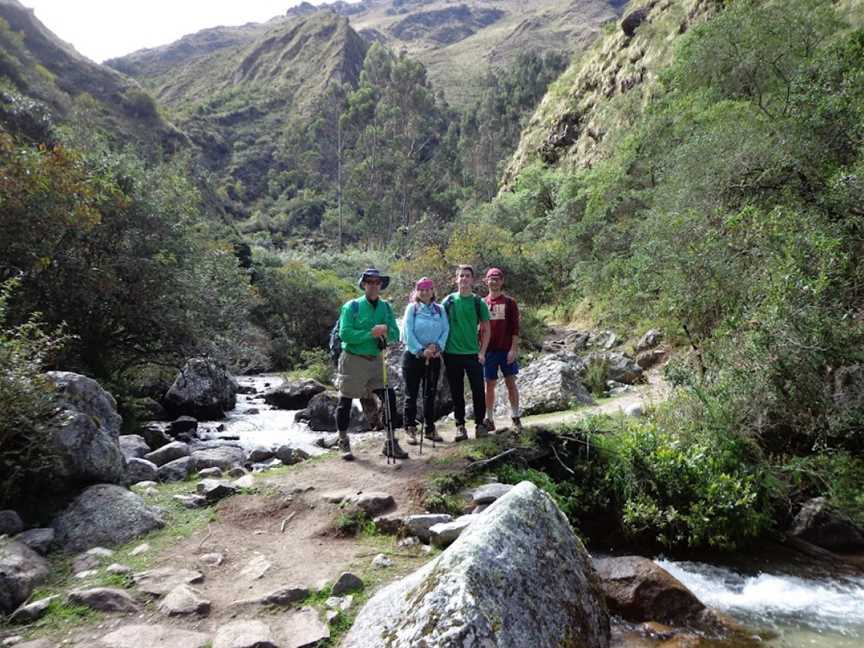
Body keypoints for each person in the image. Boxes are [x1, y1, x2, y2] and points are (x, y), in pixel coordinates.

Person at [334, 267, 406, 461]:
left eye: (377, 282)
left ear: (381, 285)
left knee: (389, 397)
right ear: (364, 284)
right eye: (370, 282)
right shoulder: (352, 307)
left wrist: (386, 331)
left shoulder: (386, 307)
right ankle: (342, 440)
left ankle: (390, 442)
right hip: (353, 360)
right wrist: (370, 334)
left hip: (377, 361)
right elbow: (345, 334)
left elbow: (395, 334)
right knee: (345, 401)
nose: (374, 286)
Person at [442, 265, 491, 442]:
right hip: (451, 354)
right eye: (461, 276)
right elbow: (440, 326)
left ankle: (480, 424)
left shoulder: (479, 302)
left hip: (473, 354)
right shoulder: (448, 302)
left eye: (467, 276)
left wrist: (483, 351)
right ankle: (460, 426)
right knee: (456, 392)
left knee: (478, 390)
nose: (464, 279)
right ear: (456, 279)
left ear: (472, 279)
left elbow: (486, 329)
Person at [401, 277, 449, 446]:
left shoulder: (440, 309)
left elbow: (445, 330)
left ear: (432, 291)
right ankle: (410, 428)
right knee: (411, 395)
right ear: (417, 292)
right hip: (413, 358)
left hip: (434, 358)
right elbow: (408, 332)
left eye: (428, 289)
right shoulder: (411, 309)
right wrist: (421, 351)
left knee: (430, 394)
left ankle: (429, 428)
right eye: (421, 289)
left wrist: (437, 347)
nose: (425, 292)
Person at [482, 267, 523, 434]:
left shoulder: (509, 302)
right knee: (489, 385)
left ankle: (515, 416)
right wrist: (481, 351)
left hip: (506, 350)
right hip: (489, 351)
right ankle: (490, 419)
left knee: (510, 382)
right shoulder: (482, 303)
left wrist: (513, 349)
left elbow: (515, 328)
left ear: (502, 281)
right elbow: (480, 328)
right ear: (486, 281)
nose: (494, 282)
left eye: (497, 279)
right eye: (491, 279)